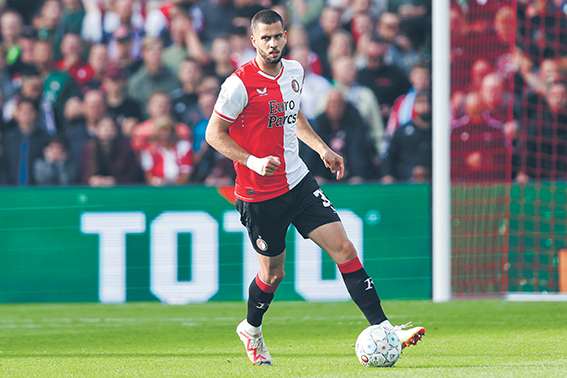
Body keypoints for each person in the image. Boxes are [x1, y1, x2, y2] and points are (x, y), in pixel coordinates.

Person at [205, 10, 425, 366]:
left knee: (344, 248)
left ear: (285, 36)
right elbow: (213, 134)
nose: (273, 44)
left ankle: (384, 328)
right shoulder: (238, 84)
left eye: (278, 36)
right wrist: (254, 161)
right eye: (266, 38)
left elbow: (294, 116)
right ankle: (251, 328)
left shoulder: (295, 71)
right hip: (259, 195)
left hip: (298, 180)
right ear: (253, 42)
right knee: (273, 274)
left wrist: (322, 148)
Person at [381, 90, 432, 184]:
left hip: (433, 183)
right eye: (420, 102)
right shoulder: (402, 132)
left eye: (427, 102)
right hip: (404, 182)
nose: (424, 106)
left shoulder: (438, 134)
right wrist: (387, 175)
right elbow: (389, 156)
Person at [82, 115, 142, 186]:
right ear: (96, 130)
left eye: (111, 127)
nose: (106, 130)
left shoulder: (126, 148)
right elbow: (83, 174)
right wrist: (92, 180)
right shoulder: (89, 148)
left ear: (116, 130)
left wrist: (116, 181)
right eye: (102, 127)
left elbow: (133, 175)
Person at [141, 115, 193, 186]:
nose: (166, 134)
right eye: (162, 130)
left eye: (168, 130)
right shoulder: (149, 149)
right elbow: (148, 175)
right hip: (158, 188)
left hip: (179, 188)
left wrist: (173, 184)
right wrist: (159, 182)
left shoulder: (184, 146)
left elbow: (186, 173)